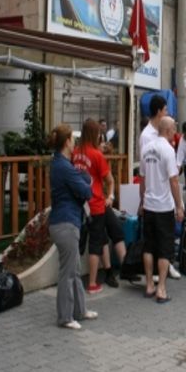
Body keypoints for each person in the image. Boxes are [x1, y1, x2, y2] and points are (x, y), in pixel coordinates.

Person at [47, 123, 97, 330]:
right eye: (73, 139)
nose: (75, 142)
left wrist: (84, 181)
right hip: (65, 223)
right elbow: (86, 191)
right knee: (68, 272)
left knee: (74, 270)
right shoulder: (64, 167)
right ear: (67, 142)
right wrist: (86, 182)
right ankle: (65, 317)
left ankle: (80, 310)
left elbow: (82, 185)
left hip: (66, 221)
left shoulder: (60, 164)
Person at [140, 117, 184, 303]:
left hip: (149, 205)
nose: (175, 132)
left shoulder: (146, 148)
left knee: (149, 246)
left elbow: (142, 179)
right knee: (165, 249)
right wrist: (179, 205)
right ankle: (161, 289)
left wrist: (142, 201)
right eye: (174, 128)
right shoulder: (168, 150)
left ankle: (149, 284)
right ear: (167, 130)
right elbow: (174, 181)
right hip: (164, 207)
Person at [72, 119, 117, 292]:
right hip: (96, 205)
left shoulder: (75, 152)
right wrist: (110, 196)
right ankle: (92, 283)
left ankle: (107, 271)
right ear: (94, 134)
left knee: (91, 240)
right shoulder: (97, 155)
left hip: (78, 205)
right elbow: (109, 180)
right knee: (95, 244)